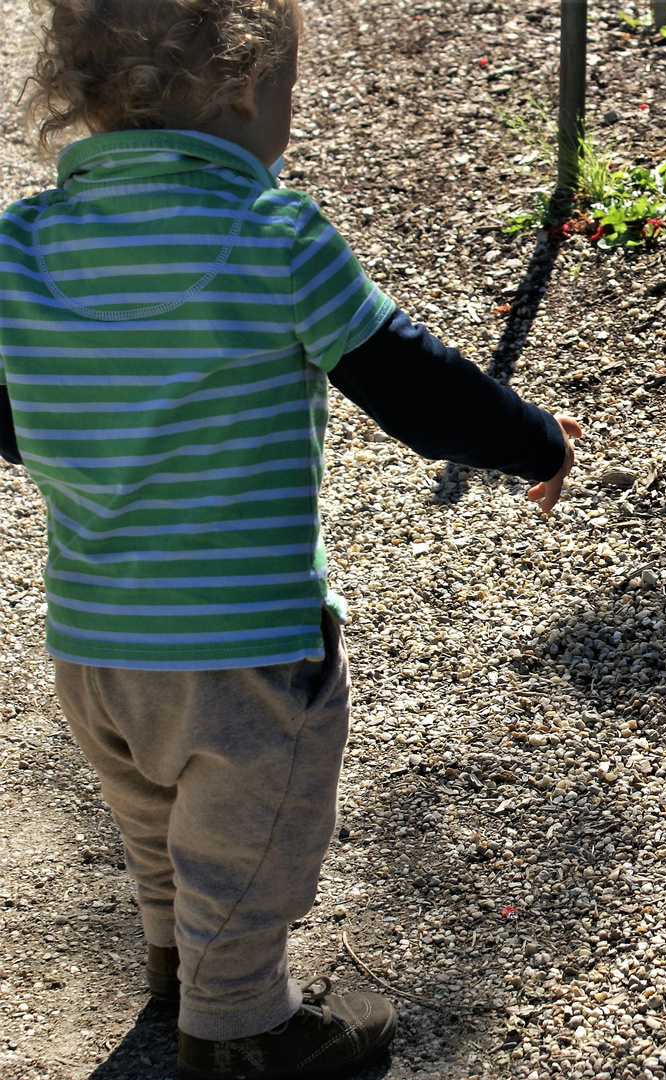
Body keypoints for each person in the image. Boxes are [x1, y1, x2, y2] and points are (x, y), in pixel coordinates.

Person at [0, 1, 580, 1075]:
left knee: (158, 822)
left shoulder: (19, 245)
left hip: (92, 642)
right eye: (288, 96)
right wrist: (533, 440)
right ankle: (242, 1034)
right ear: (243, 85)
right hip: (243, 647)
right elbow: (413, 385)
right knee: (252, 839)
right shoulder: (270, 237)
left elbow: (7, 415)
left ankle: (181, 974)